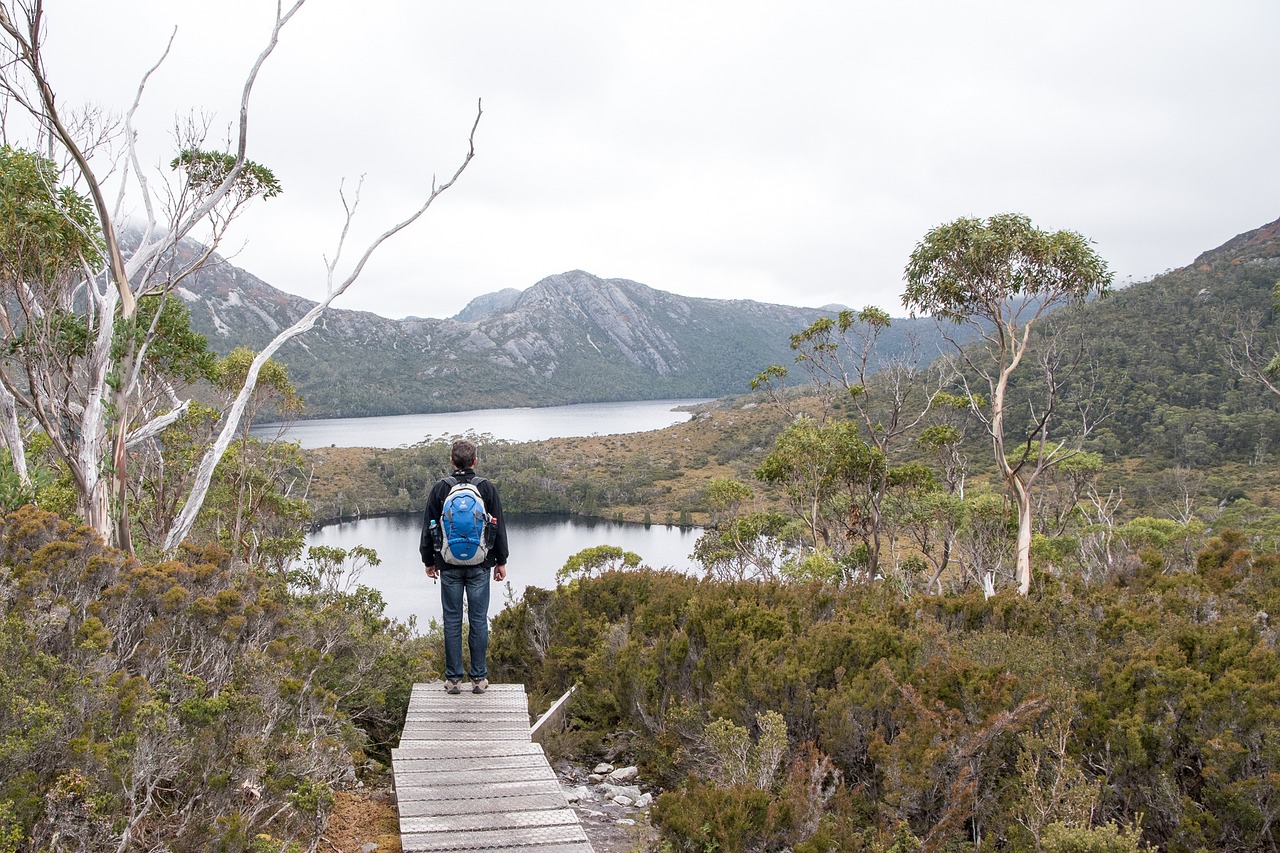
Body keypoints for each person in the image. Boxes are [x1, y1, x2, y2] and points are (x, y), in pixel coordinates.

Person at [419, 438, 509, 694]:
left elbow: (429, 527)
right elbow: (498, 527)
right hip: (480, 564)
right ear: (475, 461)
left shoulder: (440, 488)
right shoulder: (486, 488)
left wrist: (429, 561)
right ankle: (479, 679)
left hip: (448, 565)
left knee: (452, 620)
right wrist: (501, 561)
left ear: (451, 460)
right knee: (478, 620)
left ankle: (453, 679)